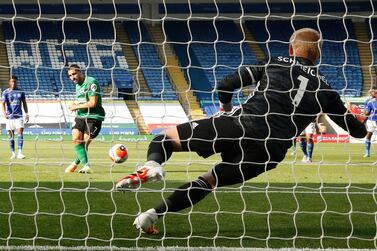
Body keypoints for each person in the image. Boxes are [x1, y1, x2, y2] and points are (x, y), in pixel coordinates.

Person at [115, 28, 367, 234]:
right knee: (208, 181)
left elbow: (226, 84)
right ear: (318, 55)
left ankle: (151, 166)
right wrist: (361, 117)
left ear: (291, 49)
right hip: (269, 151)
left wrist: (226, 108)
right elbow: (356, 131)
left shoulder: (275, 61)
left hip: (241, 124)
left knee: (166, 140)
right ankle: (152, 215)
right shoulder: (327, 90)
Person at [64, 64, 105, 174]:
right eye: (70, 75)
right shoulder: (77, 85)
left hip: (94, 117)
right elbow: (82, 100)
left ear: (80, 72)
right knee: (76, 140)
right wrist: (75, 103)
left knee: (84, 144)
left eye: (74, 74)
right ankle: (86, 166)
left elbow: (92, 103)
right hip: (81, 117)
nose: (72, 77)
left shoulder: (91, 82)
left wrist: (75, 106)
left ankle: (74, 164)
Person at [2, 75, 29, 159]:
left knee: (20, 133)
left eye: (15, 81)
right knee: (11, 136)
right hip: (9, 117)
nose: (13, 83)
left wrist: (27, 113)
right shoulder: (6, 92)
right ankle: (13, 153)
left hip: (19, 116)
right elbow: (3, 104)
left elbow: (24, 103)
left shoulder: (21, 92)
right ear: (9, 82)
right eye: (12, 81)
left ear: (16, 82)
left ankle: (20, 153)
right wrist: (4, 113)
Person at [363, 88, 377, 157]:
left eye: (373, 92)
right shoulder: (368, 101)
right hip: (371, 120)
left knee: (369, 134)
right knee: (369, 134)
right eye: (371, 92)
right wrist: (364, 119)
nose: (372, 93)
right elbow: (366, 112)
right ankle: (367, 152)